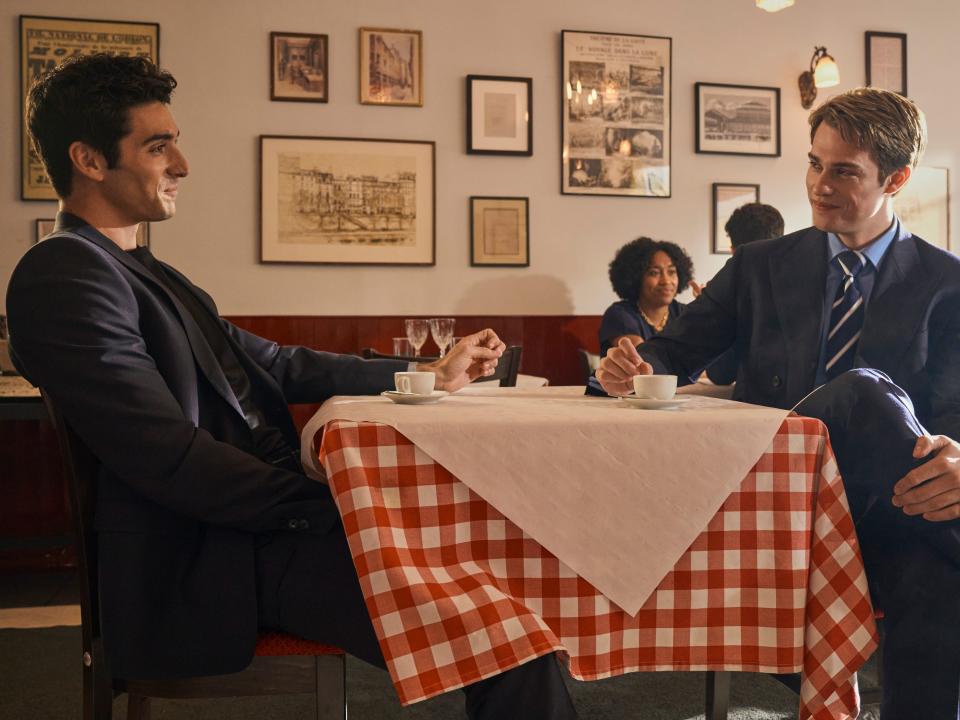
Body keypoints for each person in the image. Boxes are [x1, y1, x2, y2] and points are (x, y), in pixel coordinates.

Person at [7, 54, 577, 719]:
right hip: (220, 556)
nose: (183, 166)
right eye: (159, 147)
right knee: (510, 641)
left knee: (510, 596)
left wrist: (429, 373)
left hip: (264, 529)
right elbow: (167, 457)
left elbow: (277, 363)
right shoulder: (65, 275)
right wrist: (332, 504)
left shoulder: (142, 271)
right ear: (90, 159)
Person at [598, 88, 960, 719]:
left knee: (937, 581)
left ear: (897, 179)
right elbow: (672, 353)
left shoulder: (949, 282)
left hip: (890, 514)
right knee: (864, 390)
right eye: (815, 163)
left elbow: (954, 417)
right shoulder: (758, 267)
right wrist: (630, 367)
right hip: (773, 509)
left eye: (844, 170)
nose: (820, 185)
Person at [701, 202, 786, 384]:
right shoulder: (811, 278)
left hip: (757, 404)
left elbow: (720, 373)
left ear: (735, 251)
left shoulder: (740, 291)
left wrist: (715, 309)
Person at [598, 237, 694, 357]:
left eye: (671, 272)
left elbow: (706, 362)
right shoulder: (620, 315)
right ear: (636, 278)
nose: (666, 281)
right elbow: (644, 361)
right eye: (654, 273)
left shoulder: (683, 313)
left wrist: (707, 310)